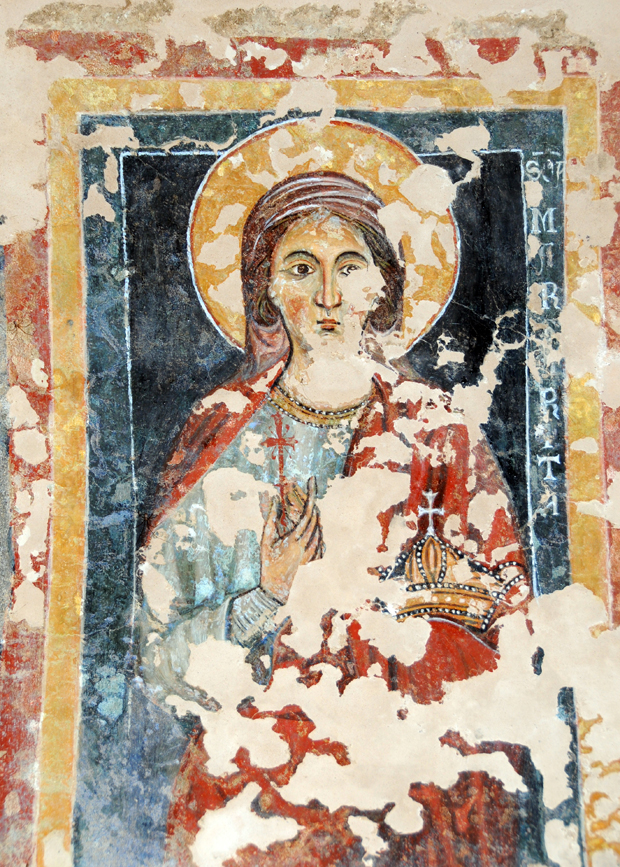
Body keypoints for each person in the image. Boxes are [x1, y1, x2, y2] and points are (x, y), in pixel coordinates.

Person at [138, 170, 531, 865]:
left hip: (405, 781)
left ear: (382, 287)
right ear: (266, 289)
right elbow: (158, 655)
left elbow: (509, 628)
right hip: (254, 786)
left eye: (349, 267)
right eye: (301, 268)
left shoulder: (438, 432)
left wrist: (391, 621)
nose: (327, 295)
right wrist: (268, 596)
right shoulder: (221, 432)